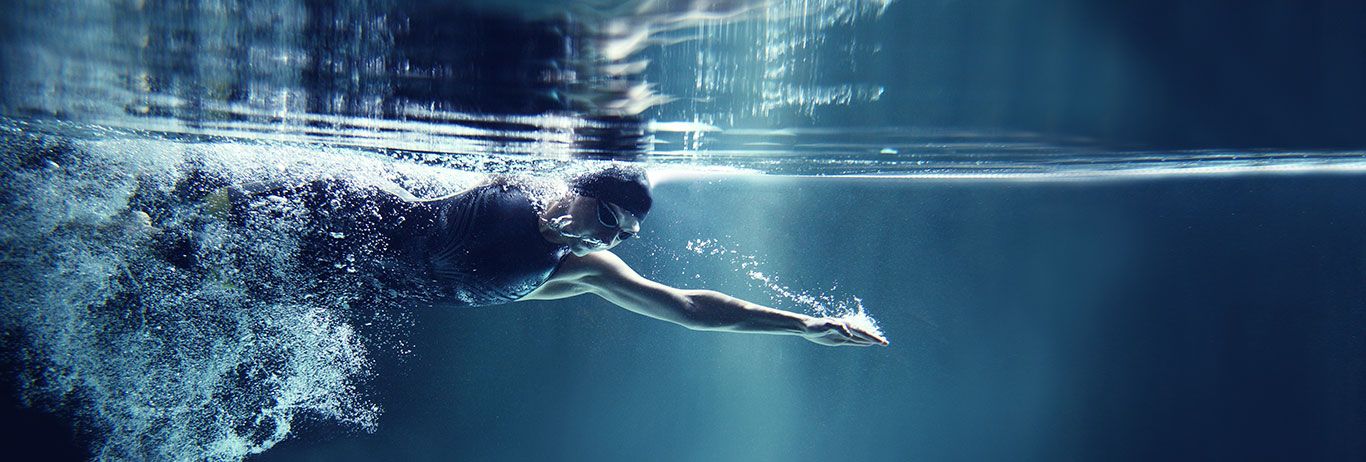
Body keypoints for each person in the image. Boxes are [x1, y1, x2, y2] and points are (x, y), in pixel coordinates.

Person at [232, 164, 887, 347]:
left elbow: (689, 308)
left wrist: (803, 326)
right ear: (578, 194)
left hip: (350, 288)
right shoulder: (516, 187)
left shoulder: (581, 270)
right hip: (346, 227)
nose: (606, 241)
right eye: (605, 220)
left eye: (621, 236)